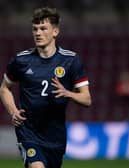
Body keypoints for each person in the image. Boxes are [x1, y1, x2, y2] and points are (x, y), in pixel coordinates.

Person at [0, 7, 91, 168]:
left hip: (55, 136)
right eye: (35, 29)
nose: (38, 33)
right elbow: (4, 88)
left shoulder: (71, 60)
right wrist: (13, 111)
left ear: (55, 32)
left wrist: (67, 93)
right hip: (28, 131)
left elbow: (87, 99)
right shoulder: (21, 60)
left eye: (43, 28)